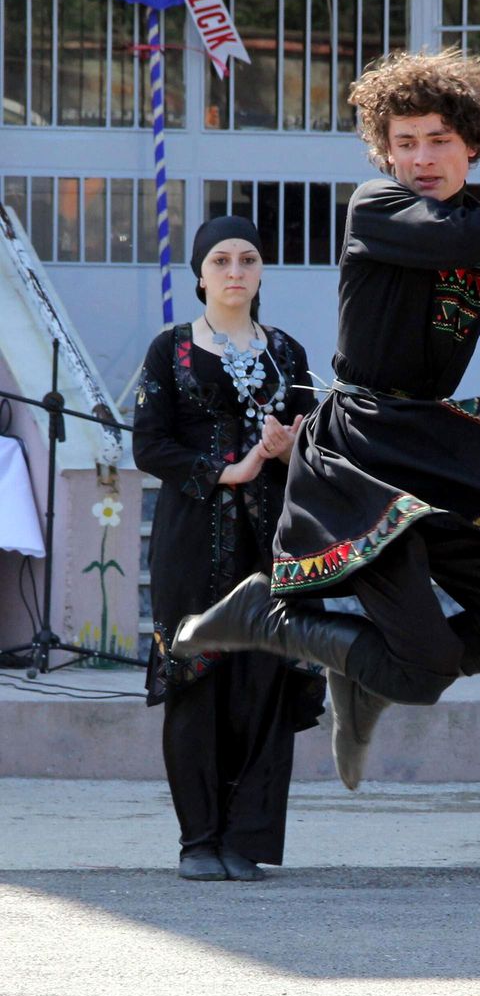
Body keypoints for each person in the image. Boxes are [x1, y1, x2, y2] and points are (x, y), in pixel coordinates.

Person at [172, 48, 480, 792]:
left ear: (472, 145)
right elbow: (455, 240)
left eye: (439, 140)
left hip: (432, 447)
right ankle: (264, 616)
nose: (420, 158)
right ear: (385, 152)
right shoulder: (376, 207)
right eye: (404, 142)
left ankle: (366, 676)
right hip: (361, 450)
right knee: (424, 667)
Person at [133, 215, 323, 882]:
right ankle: (199, 840)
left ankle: (246, 839)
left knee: (264, 683)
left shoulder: (288, 353)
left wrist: (288, 449)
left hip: (275, 541)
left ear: (262, 270)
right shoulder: (171, 350)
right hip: (193, 540)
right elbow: (149, 445)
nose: (235, 271)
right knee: (196, 679)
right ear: (200, 274)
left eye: (248, 258)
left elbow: (317, 443)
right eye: (221, 260)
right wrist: (230, 469)